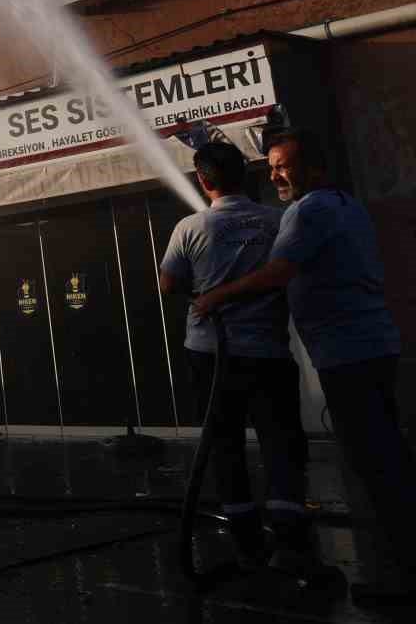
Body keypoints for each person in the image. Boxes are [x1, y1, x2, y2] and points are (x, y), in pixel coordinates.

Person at [193, 128, 415, 603]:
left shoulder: (308, 210)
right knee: (386, 459)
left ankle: (404, 582)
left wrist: (217, 294)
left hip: (348, 355)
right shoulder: (346, 204)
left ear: (315, 166)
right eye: (270, 166)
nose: (274, 174)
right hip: (372, 346)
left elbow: (276, 272)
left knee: (378, 466)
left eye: (283, 165)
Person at [160, 140, 309, 569]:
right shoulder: (278, 220)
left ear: (203, 181)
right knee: (281, 438)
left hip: (211, 353)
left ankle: (246, 542)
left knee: (223, 442)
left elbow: (168, 285)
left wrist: (205, 296)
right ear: (245, 177)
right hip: (269, 350)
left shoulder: (190, 228)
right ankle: (290, 537)